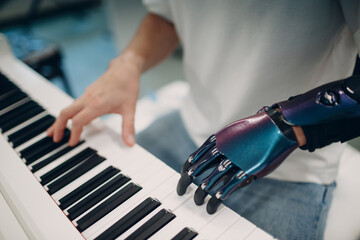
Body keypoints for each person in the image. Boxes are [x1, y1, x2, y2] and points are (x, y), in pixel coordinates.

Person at [47, 1, 360, 239]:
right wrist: (130, 61)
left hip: (291, 171)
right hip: (189, 124)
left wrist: (289, 124)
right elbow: (166, 14)